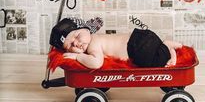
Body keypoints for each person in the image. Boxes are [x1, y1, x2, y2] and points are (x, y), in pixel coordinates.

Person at [49, 18, 182, 69]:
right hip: (140, 38)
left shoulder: (93, 43)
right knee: (155, 55)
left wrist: (78, 57)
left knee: (156, 63)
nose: (77, 44)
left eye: (77, 36)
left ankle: (168, 47)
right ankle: (165, 46)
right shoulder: (93, 37)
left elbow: (96, 63)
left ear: (85, 28)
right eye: (71, 46)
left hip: (137, 47)